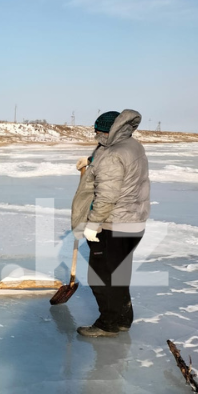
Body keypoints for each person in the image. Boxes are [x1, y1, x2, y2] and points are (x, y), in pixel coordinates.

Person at [71, 110, 150, 337]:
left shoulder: (113, 154)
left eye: (98, 130)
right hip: (133, 223)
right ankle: (123, 320)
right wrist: (91, 162)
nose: (95, 134)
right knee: (119, 275)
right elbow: (119, 169)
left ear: (108, 130)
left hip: (113, 224)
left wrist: (93, 223)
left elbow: (106, 196)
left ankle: (109, 324)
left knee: (102, 278)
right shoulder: (131, 145)